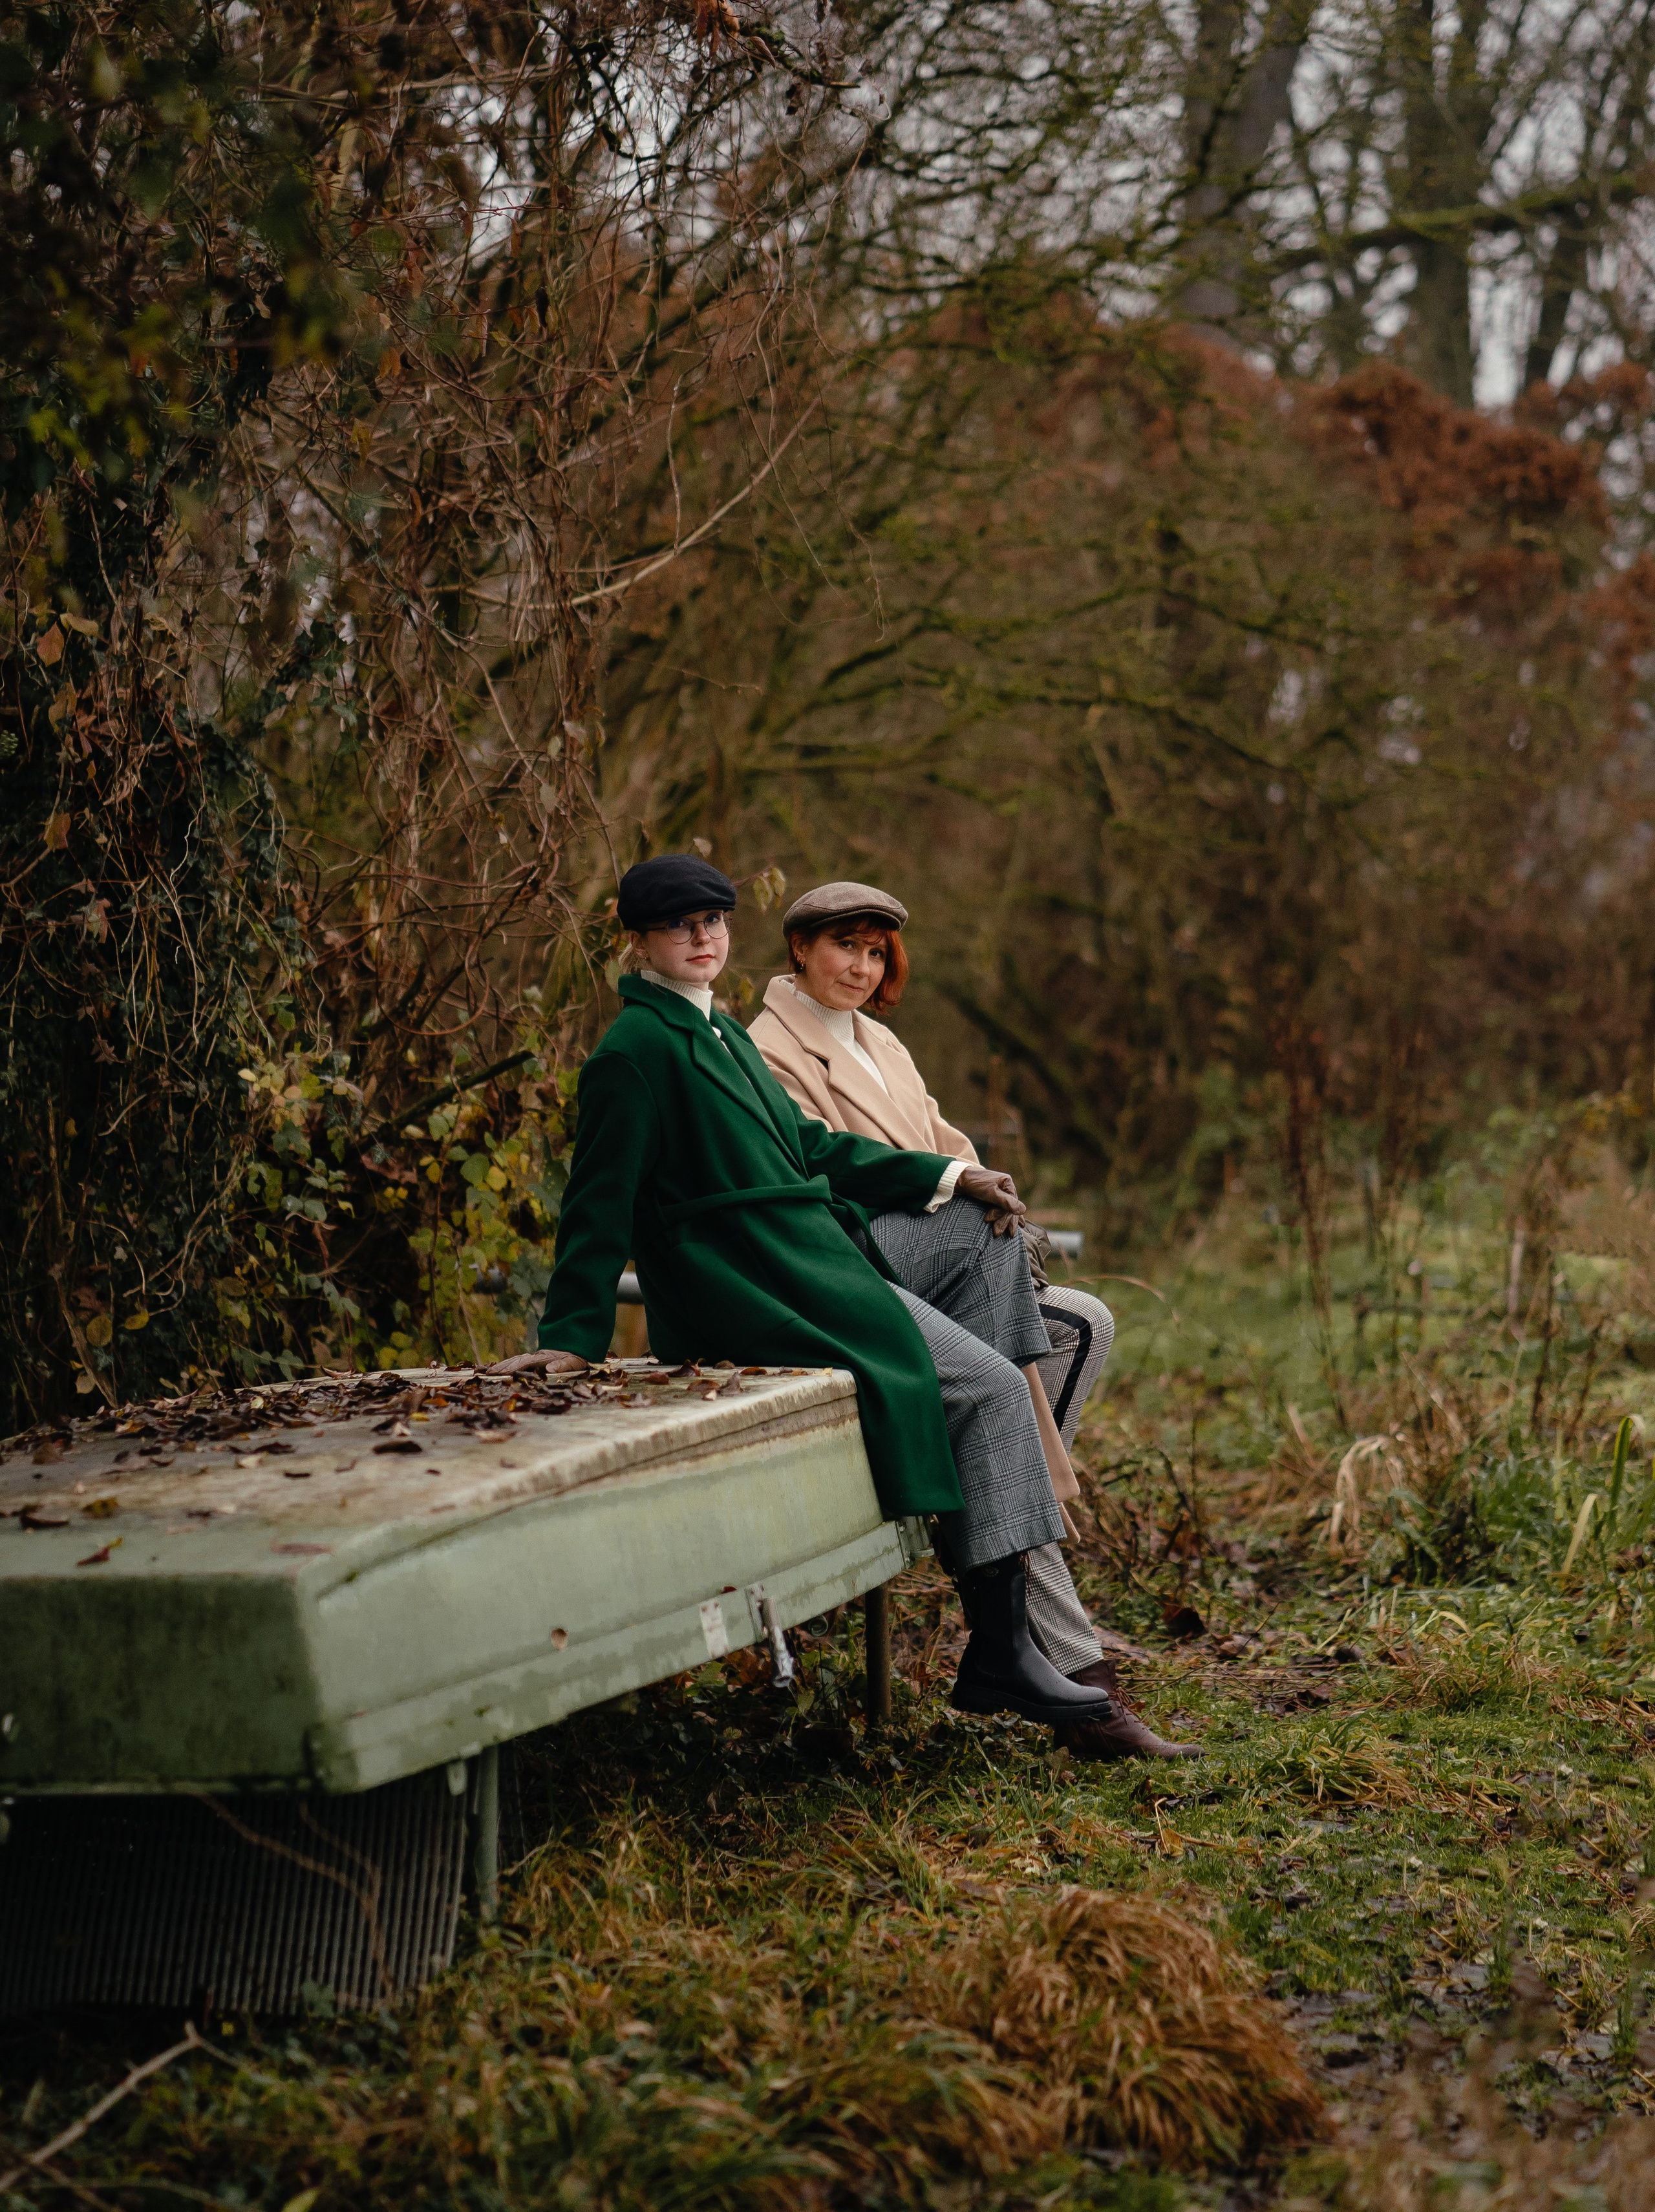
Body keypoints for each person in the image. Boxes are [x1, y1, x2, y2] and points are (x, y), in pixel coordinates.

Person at [491, 852, 1119, 1739]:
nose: (703, 939)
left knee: (991, 1321)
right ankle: (1004, 1649)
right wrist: (571, 1335)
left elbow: (814, 1149)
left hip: (805, 1257)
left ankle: (1007, 1639)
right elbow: (598, 1203)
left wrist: (950, 1175)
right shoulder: (634, 1051)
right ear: (637, 939)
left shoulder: (719, 1032)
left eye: (714, 922)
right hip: (747, 1282)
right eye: (679, 926)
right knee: (985, 1384)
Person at [747, 878, 1197, 1761]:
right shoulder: (769, 1050)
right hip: (859, 1265)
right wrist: (961, 1191)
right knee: (1008, 1389)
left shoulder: (882, 1041)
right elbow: (835, 1168)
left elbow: (948, 1142)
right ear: (799, 947)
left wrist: (986, 1192)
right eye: (844, 946)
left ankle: (992, 1518)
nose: (861, 967)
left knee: (1086, 1321)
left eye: (875, 952)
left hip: (942, 1268)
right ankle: (1081, 1678)